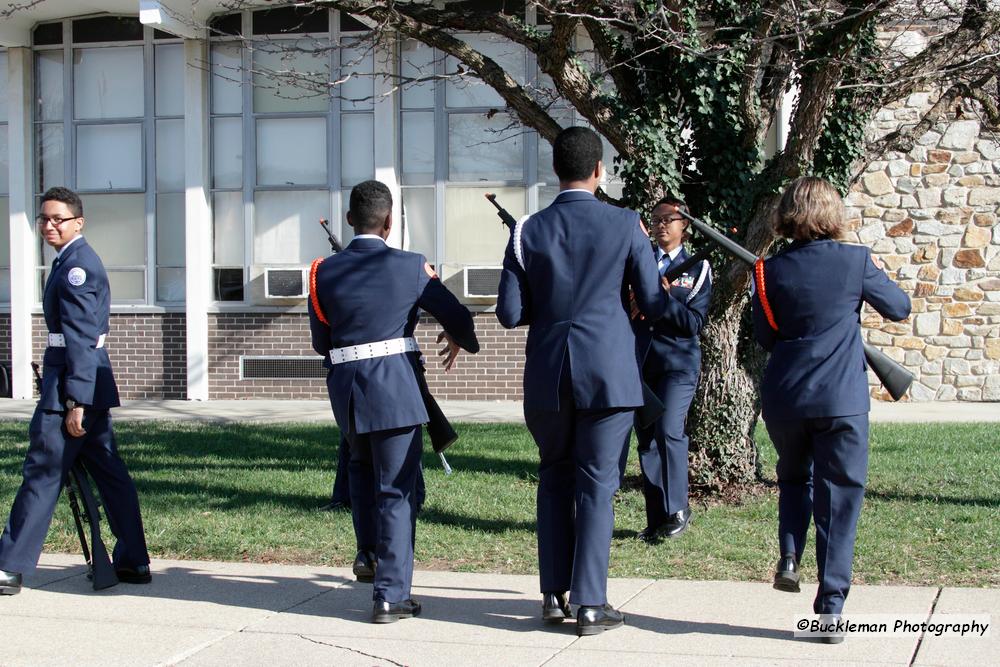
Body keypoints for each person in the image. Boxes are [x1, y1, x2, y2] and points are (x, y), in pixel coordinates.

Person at [497, 127, 668, 636]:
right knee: (597, 484)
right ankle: (591, 602)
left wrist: (551, 309)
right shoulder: (625, 224)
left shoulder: (526, 230)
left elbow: (509, 313)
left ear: (556, 170)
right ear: (600, 170)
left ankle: (553, 593)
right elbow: (653, 302)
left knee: (554, 475)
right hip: (608, 370)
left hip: (548, 370)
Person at [308, 179, 479, 623]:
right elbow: (457, 315)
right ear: (389, 221)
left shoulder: (320, 271)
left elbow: (320, 342)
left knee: (362, 475)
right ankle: (391, 594)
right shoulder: (411, 266)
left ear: (349, 220)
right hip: (395, 388)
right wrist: (461, 339)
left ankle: (368, 555)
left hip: (347, 390)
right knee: (396, 489)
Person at [751, 176, 910, 642]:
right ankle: (831, 607)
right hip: (840, 397)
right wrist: (874, 271)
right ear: (832, 214)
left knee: (794, 480)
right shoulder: (856, 260)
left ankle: (788, 555)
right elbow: (899, 308)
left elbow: (766, 336)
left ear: (786, 215)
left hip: (786, 396)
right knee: (839, 497)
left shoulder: (766, 270)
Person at [0, 186, 151, 596]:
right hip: (85, 380)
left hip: (73, 383)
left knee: (43, 470)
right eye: (44, 219)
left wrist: (76, 400)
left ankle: (9, 566)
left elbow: (82, 338)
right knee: (109, 473)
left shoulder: (76, 267)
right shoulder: (71, 261)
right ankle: (134, 559)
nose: (49, 225)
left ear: (78, 222)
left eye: (58, 219)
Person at [630, 197, 711, 542]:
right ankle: (657, 517)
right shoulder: (639, 260)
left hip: (678, 364)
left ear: (685, 227)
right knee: (647, 440)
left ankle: (678, 508)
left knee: (668, 431)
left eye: (669, 219)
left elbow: (694, 322)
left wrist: (661, 302)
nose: (662, 225)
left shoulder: (698, 266)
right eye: (657, 219)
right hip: (640, 363)